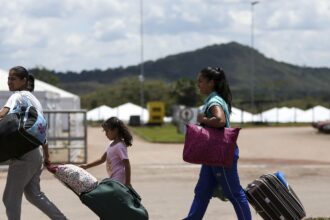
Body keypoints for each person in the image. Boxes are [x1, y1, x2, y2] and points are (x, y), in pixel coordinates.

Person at [183, 67, 251, 220]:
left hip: (220, 154)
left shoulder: (214, 101)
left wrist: (203, 120)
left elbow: (220, 121)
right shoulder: (215, 99)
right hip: (212, 154)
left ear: (211, 83)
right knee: (202, 192)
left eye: (201, 81)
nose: (198, 85)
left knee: (234, 193)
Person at [0, 66, 67, 220]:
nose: (9, 82)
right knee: (34, 194)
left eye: (13, 79)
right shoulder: (34, 100)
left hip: (24, 157)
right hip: (35, 154)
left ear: (24, 81)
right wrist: (46, 156)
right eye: (8, 78)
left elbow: (3, 113)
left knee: (9, 199)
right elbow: (41, 130)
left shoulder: (18, 96)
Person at [80, 117, 132, 186]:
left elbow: (127, 164)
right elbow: (102, 159)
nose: (106, 134)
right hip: (113, 177)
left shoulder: (119, 146)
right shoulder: (111, 144)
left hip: (119, 178)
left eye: (107, 131)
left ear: (115, 130)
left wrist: (128, 183)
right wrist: (87, 166)